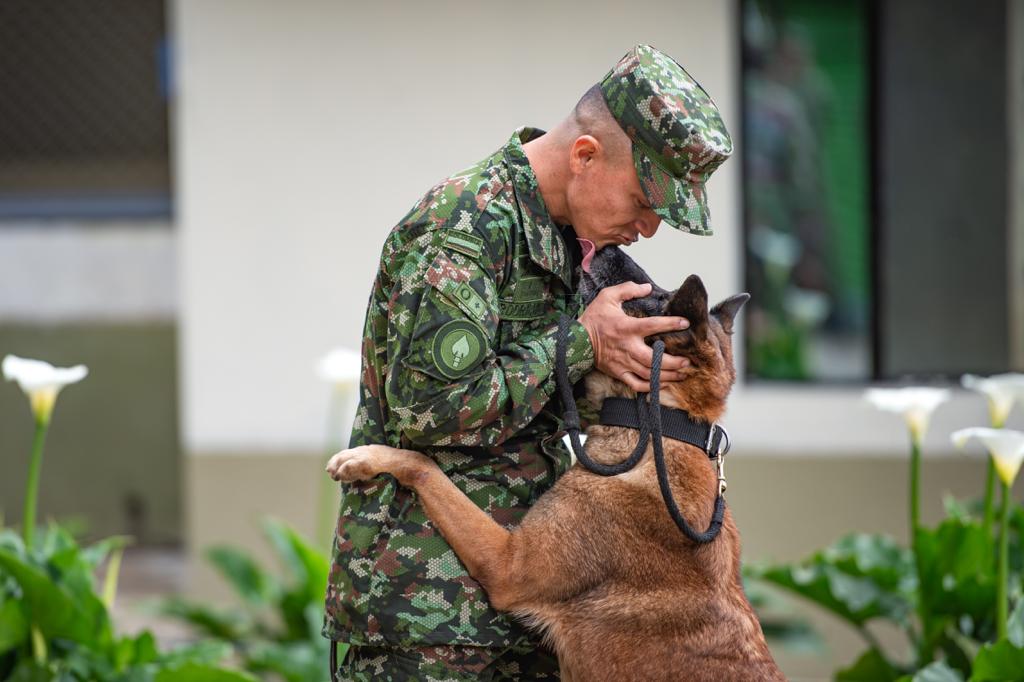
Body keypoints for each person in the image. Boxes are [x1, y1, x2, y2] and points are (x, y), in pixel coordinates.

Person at [323, 44, 733, 681]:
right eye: (644, 201)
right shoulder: (464, 225)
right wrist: (578, 342)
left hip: (540, 613)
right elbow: (426, 412)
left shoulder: (574, 242)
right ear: (585, 156)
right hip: (431, 623)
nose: (649, 228)